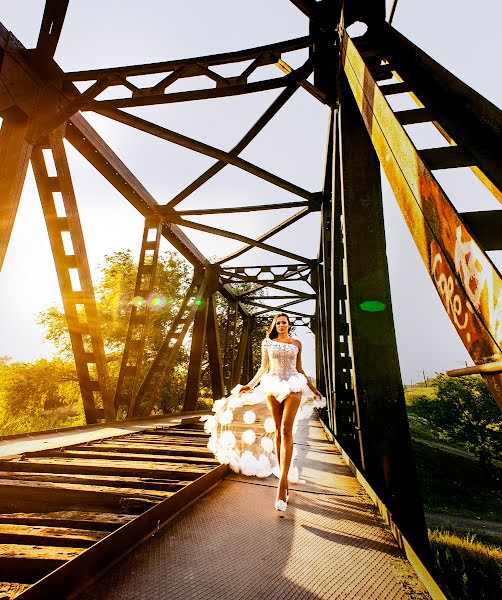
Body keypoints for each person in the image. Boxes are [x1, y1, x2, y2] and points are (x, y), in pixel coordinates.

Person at [202, 312, 325, 512]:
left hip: (293, 385)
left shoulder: (297, 343)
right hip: (273, 384)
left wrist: (312, 389)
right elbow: (263, 368)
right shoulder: (267, 342)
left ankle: (282, 484)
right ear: (275, 325)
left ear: (289, 324)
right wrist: (249, 386)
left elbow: (300, 369)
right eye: (279, 322)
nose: (282, 325)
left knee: (286, 430)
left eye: (285, 322)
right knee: (277, 430)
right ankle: (281, 473)